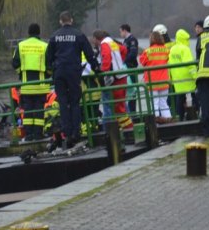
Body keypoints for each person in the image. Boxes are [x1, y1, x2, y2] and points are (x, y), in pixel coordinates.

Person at [45, 11, 97, 148]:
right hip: (73, 72)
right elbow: (89, 54)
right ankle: (76, 133)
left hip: (59, 72)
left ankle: (66, 133)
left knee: (63, 102)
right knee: (75, 102)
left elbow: (48, 58)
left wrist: (51, 71)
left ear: (60, 21)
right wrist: (96, 68)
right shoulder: (78, 34)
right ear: (71, 20)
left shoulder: (54, 36)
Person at [12, 23, 49, 140]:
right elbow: (50, 64)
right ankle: (38, 135)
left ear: (28, 33)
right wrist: (48, 74)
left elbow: (15, 63)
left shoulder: (21, 45)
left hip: (26, 86)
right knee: (39, 110)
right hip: (41, 85)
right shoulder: (45, 46)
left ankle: (28, 135)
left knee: (27, 110)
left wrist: (21, 74)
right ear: (39, 32)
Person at [92, 30, 133, 130]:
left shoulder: (104, 44)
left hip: (115, 78)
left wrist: (103, 70)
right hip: (121, 75)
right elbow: (124, 50)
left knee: (118, 108)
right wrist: (119, 62)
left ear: (97, 38)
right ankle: (126, 127)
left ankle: (128, 128)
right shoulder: (112, 42)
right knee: (121, 105)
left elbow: (106, 57)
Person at [139, 30, 172, 123]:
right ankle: (168, 120)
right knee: (163, 103)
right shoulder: (166, 49)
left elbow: (142, 62)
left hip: (152, 81)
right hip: (164, 80)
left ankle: (156, 122)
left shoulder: (148, 51)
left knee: (154, 102)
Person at [168, 28, 197, 121]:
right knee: (194, 99)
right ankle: (194, 116)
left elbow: (169, 64)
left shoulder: (172, 49)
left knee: (179, 101)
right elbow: (190, 65)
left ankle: (179, 119)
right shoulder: (185, 49)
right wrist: (196, 77)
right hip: (188, 80)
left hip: (177, 81)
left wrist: (170, 78)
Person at [119, 23, 139, 113]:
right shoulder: (125, 41)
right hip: (126, 68)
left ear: (124, 30)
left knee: (132, 90)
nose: (120, 34)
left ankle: (133, 112)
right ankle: (130, 112)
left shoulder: (132, 40)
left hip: (130, 67)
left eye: (120, 32)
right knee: (128, 90)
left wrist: (124, 61)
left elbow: (133, 54)